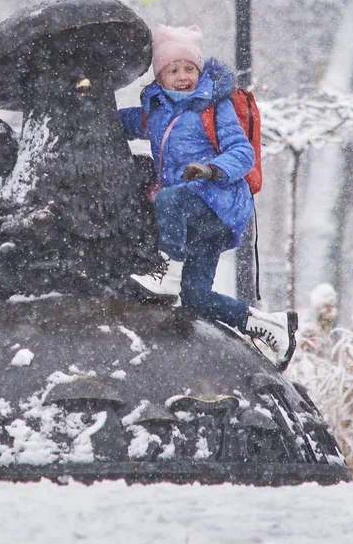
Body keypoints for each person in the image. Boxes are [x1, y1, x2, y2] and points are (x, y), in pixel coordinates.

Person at [119, 24, 294, 367]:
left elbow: (242, 154)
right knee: (196, 299)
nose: (182, 76)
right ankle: (269, 325)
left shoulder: (214, 107)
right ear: (160, 76)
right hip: (193, 221)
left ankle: (166, 275)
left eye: (189, 68)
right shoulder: (155, 112)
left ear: (199, 72)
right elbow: (121, 123)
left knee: (168, 199)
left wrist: (210, 169)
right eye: (172, 69)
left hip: (219, 203)